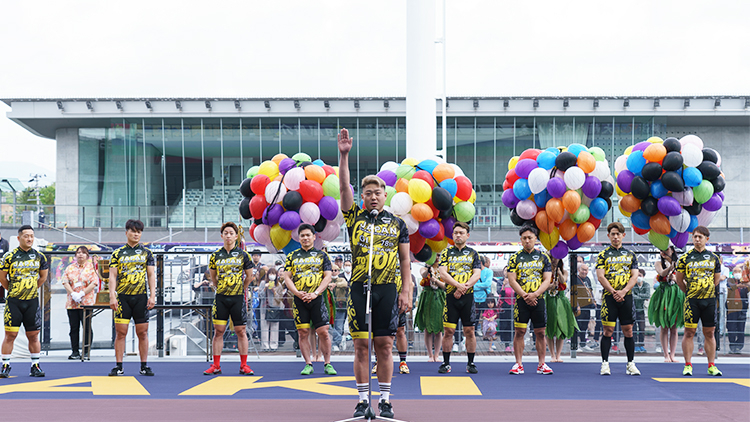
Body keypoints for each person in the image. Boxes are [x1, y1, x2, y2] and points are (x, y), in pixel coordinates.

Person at [338, 128, 412, 419]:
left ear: (385, 196)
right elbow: (344, 189)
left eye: (377, 193)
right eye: (367, 193)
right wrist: (344, 156)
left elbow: (405, 260)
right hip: (359, 286)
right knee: (360, 344)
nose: (371, 197)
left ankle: (385, 400)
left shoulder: (397, 224)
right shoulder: (354, 217)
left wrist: (406, 290)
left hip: (388, 288)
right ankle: (360, 400)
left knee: (384, 344)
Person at [283, 223, 337, 376]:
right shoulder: (292, 256)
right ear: (298, 238)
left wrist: (316, 293)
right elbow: (287, 277)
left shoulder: (322, 255)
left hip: (317, 299)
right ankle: (308, 363)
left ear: (314, 237)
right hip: (299, 300)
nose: (305, 238)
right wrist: (297, 293)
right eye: (302, 235)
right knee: (303, 332)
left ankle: (327, 363)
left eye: (308, 235)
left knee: (324, 333)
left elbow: (328, 276)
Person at [203, 222, 254, 375]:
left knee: (241, 331)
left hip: (238, 298)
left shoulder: (243, 255)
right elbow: (213, 277)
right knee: (218, 331)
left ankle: (244, 365)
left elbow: (250, 276)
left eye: (231, 233)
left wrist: (241, 288)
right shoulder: (215, 256)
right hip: (221, 298)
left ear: (236, 236)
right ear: (222, 236)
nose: (228, 235)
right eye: (226, 233)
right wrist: (221, 288)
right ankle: (216, 365)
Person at [108, 219, 156, 377]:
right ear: (126, 232)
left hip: (141, 298)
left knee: (142, 333)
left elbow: (151, 275)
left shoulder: (147, 253)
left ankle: (144, 366)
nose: (136, 234)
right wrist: (112, 296)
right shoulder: (117, 253)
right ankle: (119, 366)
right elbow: (112, 276)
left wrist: (153, 295)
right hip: (122, 298)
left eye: (139, 232)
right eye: (133, 231)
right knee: (121, 333)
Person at [0, 225, 49, 378]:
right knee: (10, 335)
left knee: (34, 335)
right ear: (18, 238)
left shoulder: (40, 256)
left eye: (31, 236)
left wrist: (30, 289)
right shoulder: (9, 256)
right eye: (26, 236)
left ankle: (35, 365)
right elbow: (2, 278)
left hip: (32, 302)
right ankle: (5, 366)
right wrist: (15, 291)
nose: (29, 239)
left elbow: (43, 278)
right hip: (13, 302)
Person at [675, 226, 723, 376]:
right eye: (695, 237)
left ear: (706, 239)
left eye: (700, 237)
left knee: (710, 333)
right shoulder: (685, 258)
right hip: (692, 301)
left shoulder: (714, 258)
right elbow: (679, 280)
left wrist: (705, 291)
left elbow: (716, 280)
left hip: (709, 300)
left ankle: (711, 365)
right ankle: (688, 365)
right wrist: (690, 292)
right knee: (689, 332)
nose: (697, 239)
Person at [506, 224, 553, 375]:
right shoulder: (514, 258)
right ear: (521, 239)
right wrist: (525, 295)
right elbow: (512, 280)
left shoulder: (544, 257)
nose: (527, 241)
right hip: (521, 300)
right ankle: (518, 364)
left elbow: (547, 280)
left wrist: (535, 294)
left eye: (530, 238)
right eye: (524, 238)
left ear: (535, 239)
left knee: (540, 332)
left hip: (538, 300)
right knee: (519, 331)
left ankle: (542, 364)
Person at [595, 222, 640, 376]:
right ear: (608, 236)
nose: (615, 236)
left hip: (626, 298)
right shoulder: (603, 255)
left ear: (623, 236)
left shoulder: (630, 255)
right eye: (612, 234)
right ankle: (605, 363)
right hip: (609, 297)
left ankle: (630, 364)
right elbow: (601, 276)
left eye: (618, 234)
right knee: (608, 331)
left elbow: (634, 276)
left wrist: (624, 291)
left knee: (628, 331)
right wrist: (614, 291)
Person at [438, 222, 482, 375]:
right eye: (456, 233)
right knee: (448, 331)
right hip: (451, 297)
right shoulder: (446, 252)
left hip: (468, 298)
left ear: (467, 235)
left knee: (469, 331)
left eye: (461, 233)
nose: (458, 235)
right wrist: (457, 286)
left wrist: (464, 287)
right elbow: (443, 273)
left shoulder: (473, 253)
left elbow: (477, 274)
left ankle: (471, 363)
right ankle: (446, 363)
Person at [61, 246, 100, 359]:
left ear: (87, 255)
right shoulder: (70, 268)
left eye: (83, 253)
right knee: (74, 328)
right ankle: (74, 351)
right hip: (72, 303)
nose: (80, 255)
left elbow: (94, 283)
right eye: (78, 253)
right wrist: (73, 293)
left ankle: (86, 350)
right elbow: (65, 282)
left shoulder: (92, 268)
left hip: (86, 303)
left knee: (87, 327)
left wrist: (82, 293)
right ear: (75, 255)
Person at [546, 257, 575, 363]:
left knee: (561, 326)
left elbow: (563, 280)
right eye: (552, 258)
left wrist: (558, 272)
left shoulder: (564, 271)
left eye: (556, 258)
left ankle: (558, 355)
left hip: (561, 299)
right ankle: (552, 355)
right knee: (549, 327)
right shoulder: (546, 271)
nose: (554, 260)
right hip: (549, 298)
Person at [415, 264, 445, 362]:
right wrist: (428, 269)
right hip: (427, 297)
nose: (437, 258)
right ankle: (430, 355)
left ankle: (436, 355)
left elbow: (445, 286)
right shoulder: (424, 269)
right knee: (427, 328)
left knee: (439, 328)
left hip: (439, 297)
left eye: (439, 255)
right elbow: (423, 275)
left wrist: (436, 281)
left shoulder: (443, 269)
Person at [654, 246, 680, 361]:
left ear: (672, 250)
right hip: (663, 294)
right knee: (664, 326)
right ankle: (666, 354)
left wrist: (675, 279)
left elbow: (685, 280)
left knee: (674, 328)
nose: (663, 252)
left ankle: (673, 354)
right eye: (661, 250)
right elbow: (661, 273)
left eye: (666, 249)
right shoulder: (659, 263)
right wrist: (670, 268)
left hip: (676, 295)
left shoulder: (680, 263)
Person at [572, 263, 596, 351]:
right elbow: (573, 293)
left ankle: (583, 344)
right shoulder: (575, 279)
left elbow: (590, 291)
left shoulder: (588, 279)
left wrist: (593, 300)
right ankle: (575, 345)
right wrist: (577, 305)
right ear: (579, 270)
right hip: (579, 307)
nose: (584, 272)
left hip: (587, 306)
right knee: (577, 325)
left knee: (585, 326)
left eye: (586, 270)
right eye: (583, 269)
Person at [726, 264, 748, 353]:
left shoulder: (744, 281)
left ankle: (739, 347)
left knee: (741, 328)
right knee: (731, 328)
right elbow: (730, 286)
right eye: (735, 271)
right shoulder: (730, 280)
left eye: (739, 271)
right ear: (733, 273)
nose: (737, 273)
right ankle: (732, 346)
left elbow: (748, 287)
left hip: (742, 308)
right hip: (731, 309)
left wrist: (745, 282)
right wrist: (739, 285)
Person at [259, 268, 282, 352]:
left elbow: (280, 298)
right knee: (264, 327)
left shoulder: (278, 285)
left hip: (275, 308)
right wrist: (265, 288)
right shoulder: (263, 283)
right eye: (270, 273)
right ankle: (265, 346)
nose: (272, 276)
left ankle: (274, 346)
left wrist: (274, 291)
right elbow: (260, 296)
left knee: (275, 327)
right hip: (265, 308)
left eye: (274, 274)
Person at [632, 268, 651, 353]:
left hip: (641, 310)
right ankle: (635, 345)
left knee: (642, 328)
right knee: (634, 328)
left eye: (640, 275)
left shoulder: (646, 285)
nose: (638, 277)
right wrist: (642, 296)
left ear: (643, 276)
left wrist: (638, 295)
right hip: (633, 309)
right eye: (637, 275)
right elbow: (632, 296)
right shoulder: (632, 284)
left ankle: (641, 345)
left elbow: (647, 295)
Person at [474, 256, 494, 332]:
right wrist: (481, 286)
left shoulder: (489, 271)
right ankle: (474, 335)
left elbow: (488, 284)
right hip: (475, 299)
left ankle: (488, 336)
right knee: (474, 319)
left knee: (488, 318)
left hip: (486, 299)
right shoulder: (473, 272)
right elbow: (470, 286)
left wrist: (475, 286)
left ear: (480, 262)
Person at [0, 232, 9, 303]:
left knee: (2, 279)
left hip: (2, 264)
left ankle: (1, 297)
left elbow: (7, 253)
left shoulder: (5, 242)